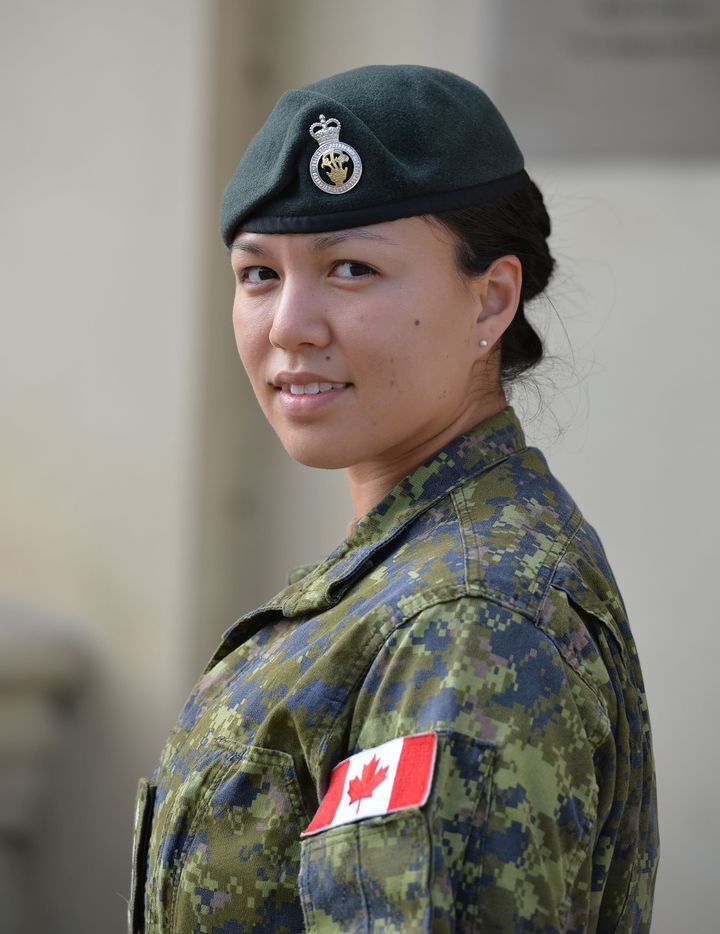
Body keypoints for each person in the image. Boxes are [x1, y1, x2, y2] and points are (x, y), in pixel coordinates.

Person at [129, 65, 658, 933]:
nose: (290, 325)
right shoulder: (411, 565)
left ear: (490, 299)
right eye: (258, 274)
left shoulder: (465, 618)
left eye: (350, 268)